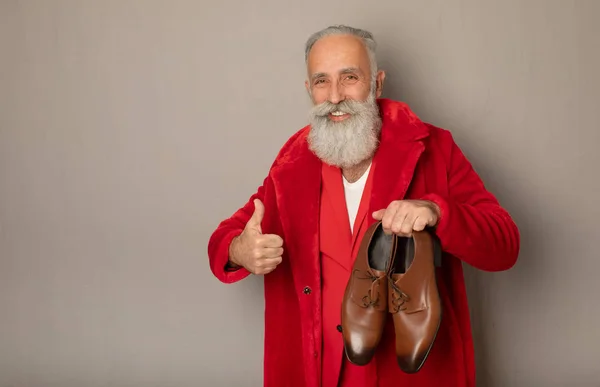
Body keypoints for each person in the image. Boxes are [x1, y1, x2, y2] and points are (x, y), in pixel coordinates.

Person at [207, 25, 520, 387]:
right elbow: (225, 238)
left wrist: (439, 212)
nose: (336, 95)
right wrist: (238, 249)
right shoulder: (291, 163)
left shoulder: (434, 147)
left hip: (408, 377)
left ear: (377, 83)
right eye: (322, 81)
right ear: (309, 91)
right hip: (313, 374)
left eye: (350, 77)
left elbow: (505, 244)